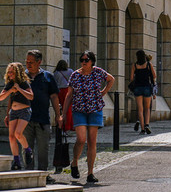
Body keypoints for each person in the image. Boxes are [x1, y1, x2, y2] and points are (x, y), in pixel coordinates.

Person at [63, 51, 114, 185]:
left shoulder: (98, 72)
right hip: (79, 110)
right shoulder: (75, 75)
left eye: (86, 60)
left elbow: (111, 79)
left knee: (92, 141)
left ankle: (90, 173)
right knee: (81, 139)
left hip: (95, 109)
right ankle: (74, 162)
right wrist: (63, 114)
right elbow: (69, 95)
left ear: (92, 61)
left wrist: (104, 92)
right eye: (82, 60)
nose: (84, 62)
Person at [21, 51, 62, 183]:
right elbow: (13, 96)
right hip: (24, 119)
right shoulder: (22, 77)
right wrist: (9, 114)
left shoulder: (48, 76)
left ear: (39, 62)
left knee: (43, 149)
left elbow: (54, 97)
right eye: (26, 62)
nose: (28, 64)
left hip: (43, 119)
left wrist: (58, 115)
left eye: (31, 62)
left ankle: (43, 174)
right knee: (27, 148)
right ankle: (29, 174)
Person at [0, 62, 34, 170]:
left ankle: (28, 150)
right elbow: (1, 97)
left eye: (12, 72)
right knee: (11, 136)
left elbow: (31, 96)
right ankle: (17, 161)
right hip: (13, 112)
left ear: (17, 72)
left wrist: (19, 89)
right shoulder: (9, 84)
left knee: (18, 133)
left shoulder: (23, 83)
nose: (10, 74)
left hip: (24, 110)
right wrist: (10, 90)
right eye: (8, 72)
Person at [130, 50, 156, 134]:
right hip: (147, 87)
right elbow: (154, 75)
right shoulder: (148, 64)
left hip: (137, 88)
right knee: (147, 108)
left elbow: (131, 78)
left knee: (140, 109)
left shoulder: (134, 65)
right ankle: (147, 124)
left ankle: (142, 129)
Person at [53, 60, 74, 134]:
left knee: (60, 109)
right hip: (68, 90)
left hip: (59, 91)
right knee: (69, 109)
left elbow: (55, 83)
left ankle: (62, 127)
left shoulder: (56, 73)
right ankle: (69, 126)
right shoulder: (70, 71)